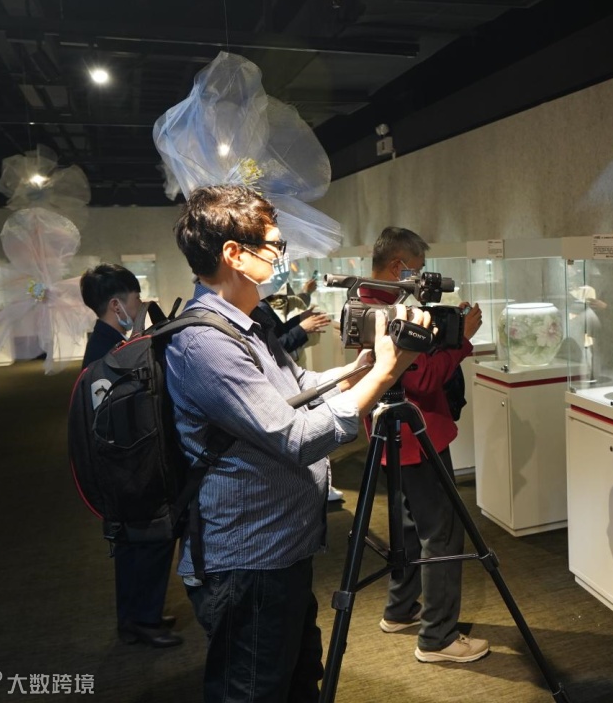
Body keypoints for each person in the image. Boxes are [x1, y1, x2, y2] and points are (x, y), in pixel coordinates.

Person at [166, 185, 429, 703]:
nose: (280, 255)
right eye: (274, 244)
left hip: (280, 546)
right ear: (234, 254)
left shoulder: (247, 325)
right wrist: (385, 375)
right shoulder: (205, 343)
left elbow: (296, 388)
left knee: (297, 679)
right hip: (248, 558)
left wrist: (358, 371)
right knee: (254, 690)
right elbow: (296, 437)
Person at [360, 226, 488, 664]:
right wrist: (463, 338)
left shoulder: (368, 303)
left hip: (393, 436)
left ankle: (400, 609)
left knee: (409, 526)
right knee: (442, 533)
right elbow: (425, 378)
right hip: (418, 435)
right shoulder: (388, 312)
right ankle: (438, 637)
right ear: (399, 265)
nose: (423, 277)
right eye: (418, 268)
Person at [78, 264, 182, 649]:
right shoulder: (110, 353)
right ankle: (144, 620)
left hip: (120, 462)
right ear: (116, 305)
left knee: (131, 544)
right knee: (151, 540)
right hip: (129, 463)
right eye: (136, 298)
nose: (140, 304)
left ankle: (134, 619)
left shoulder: (103, 344)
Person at [254, 296, 346, 502]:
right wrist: (301, 328)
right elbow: (274, 349)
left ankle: (321, 483)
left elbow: (275, 338)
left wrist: (298, 322)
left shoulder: (257, 307)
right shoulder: (250, 309)